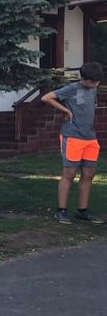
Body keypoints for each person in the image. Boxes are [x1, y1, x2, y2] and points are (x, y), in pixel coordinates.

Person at [41, 61, 105, 225]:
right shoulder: (72, 88)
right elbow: (46, 97)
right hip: (72, 136)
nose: (96, 84)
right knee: (69, 173)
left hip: (90, 137)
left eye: (98, 81)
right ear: (85, 79)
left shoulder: (93, 89)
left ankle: (82, 210)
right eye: (93, 81)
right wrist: (66, 110)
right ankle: (61, 211)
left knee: (89, 174)